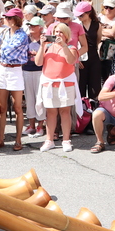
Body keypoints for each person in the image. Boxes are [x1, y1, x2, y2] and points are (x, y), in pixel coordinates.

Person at [35, 23, 79, 152]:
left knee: (65, 112)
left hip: (65, 84)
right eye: (56, 32)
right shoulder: (48, 47)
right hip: (49, 84)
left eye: (61, 32)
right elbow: (38, 62)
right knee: (51, 113)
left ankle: (66, 140)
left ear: (66, 35)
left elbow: (71, 61)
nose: (58, 34)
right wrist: (42, 46)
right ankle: (49, 140)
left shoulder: (71, 47)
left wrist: (63, 45)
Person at [0, 7, 29, 151]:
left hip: (15, 70)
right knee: (1, 108)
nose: (6, 19)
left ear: (15, 20)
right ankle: (0, 138)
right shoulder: (5, 31)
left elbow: (8, 48)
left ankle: (18, 140)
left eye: (9, 18)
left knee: (18, 108)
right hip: (3, 68)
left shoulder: (21, 35)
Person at [23, 16, 46, 137]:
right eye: (30, 25)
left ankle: (40, 126)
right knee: (29, 98)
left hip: (40, 71)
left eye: (34, 25)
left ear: (40, 27)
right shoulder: (25, 38)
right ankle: (31, 125)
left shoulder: (44, 40)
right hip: (26, 70)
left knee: (40, 99)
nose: (31, 27)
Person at [74, 1, 102, 102]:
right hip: (80, 57)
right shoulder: (76, 25)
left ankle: (94, 112)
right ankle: (82, 114)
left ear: (88, 13)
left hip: (94, 57)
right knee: (80, 87)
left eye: (81, 15)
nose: (79, 17)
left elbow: (98, 40)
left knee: (95, 88)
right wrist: (77, 58)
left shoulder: (97, 24)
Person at [98, 0, 115, 80]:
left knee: (110, 78)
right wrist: (107, 31)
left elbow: (113, 33)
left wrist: (102, 31)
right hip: (100, 52)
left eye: (111, 7)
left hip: (113, 54)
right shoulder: (99, 18)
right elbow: (95, 31)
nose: (108, 9)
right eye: (106, 7)